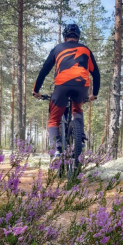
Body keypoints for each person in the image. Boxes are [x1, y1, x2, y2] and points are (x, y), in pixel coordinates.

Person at [32, 23, 100, 157]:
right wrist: (95, 94)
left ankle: (57, 149)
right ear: (78, 38)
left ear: (64, 37)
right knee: (77, 110)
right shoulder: (86, 50)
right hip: (82, 86)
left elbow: (44, 71)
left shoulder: (58, 48)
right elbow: (96, 74)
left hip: (62, 86)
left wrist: (36, 90)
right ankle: (80, 137)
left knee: (53, 120)